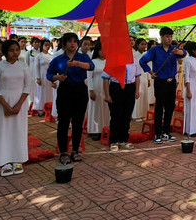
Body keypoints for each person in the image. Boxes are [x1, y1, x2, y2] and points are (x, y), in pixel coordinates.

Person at [0, 40, 30, 176]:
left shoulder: (23, 66)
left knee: (18, 130)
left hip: (19, 103)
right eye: (11, 50)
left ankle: (17, 159)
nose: (15, 53)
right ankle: (2, 161)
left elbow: (27, 86)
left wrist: (19, 105)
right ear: (4, 52)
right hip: (1, 103)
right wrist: (6, 106)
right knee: (2, 132)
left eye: (17, 50)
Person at [46, 33, 95, 163]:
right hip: (65, 89)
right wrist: (58, 77)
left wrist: (77, 63)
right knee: (63, 121)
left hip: (80, 89)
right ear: (64, 44)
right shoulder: (58, 58)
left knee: (78, 122)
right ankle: (63, 152)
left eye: (75, 41)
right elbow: (49, 74)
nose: (72, 44)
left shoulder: (82, 56)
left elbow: (91, 67)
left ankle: (75, 150)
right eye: (69, 41)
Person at [139, 27, 185, 143]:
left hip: (172, 81)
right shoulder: (155, 50)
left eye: (171, 37)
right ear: (162, 37)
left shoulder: (174, 49)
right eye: (167, 37)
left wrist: (178, 52)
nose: (169, 39)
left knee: (170, 107)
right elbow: (142, 61)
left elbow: (184, 53)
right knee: (159, 107)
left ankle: (166, 132)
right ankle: (157, 133)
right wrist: (151, 72)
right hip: (160, 81)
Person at [102, 45, 141, 151]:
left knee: (127, 115)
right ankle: (114, 141)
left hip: (130, 88)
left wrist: (137, 91)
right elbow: (105, 79)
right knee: (116, 115)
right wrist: (107, 95)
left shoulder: (134, 60)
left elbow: (137, 77)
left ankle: (124, 140)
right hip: (116, 88)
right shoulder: (112, 61)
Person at [86, 40, 110, 141]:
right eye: (101, 50)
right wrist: (91, 90)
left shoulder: (109, 62)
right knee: (95, 109)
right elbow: (89, 77)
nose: (102, 52)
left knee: (106, 109)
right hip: (95, 88)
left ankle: (105, 129)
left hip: (107, 89)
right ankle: (94, 130)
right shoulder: (92, 62)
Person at [132, 38, 150, 121]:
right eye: (142, 44)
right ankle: (136, 115)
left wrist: (149, 79)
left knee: (144, 96)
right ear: (137, 45)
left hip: (145, 77)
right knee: (137, 95)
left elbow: (148, 68)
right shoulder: (134, 55)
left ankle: (143, 114)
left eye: (145, 44)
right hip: (137, 77)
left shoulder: (147, 55)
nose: (144, 46)